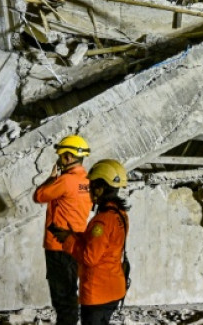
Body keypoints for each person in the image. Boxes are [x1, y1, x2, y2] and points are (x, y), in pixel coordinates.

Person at [51, 159, 130, 325]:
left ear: (99, 189)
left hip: (98, 293)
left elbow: (89, 257)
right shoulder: (120, 214)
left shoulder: (101, 221)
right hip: (114, 289)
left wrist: (68, 241)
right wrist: (74, 235)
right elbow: (105, 245)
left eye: (91, 186)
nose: (89, 190)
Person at [32, 135, 92, 325]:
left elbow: (39, 196)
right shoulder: (88, 182)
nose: (59, 159)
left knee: (62, 298)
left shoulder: (66, 181)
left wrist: (51, 177)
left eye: (60, 156)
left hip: (58, 247)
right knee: (69, 293)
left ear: (67, 157)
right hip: (76, 244)